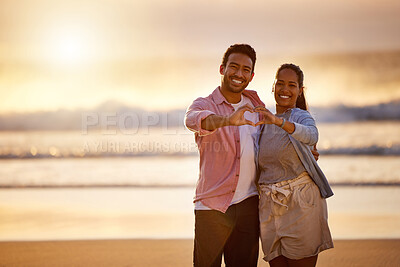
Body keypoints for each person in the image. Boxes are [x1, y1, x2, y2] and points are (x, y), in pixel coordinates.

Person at [184, 44, 264, 266]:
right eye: (234, 67)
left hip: (249, 204)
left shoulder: (257, 106)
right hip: (212, 208)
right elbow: (194, 120)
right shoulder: (204, 104)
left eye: (245, 70)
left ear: (252, 75)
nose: (239, 74)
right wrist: (228, 120)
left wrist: (303, 151)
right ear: (222, 68)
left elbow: (267, 148)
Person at [255, 63, 334, 267]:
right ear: (273, 86)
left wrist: (279, 122)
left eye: (291, 85)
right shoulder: (263, 123)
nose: (285, 90)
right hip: (269, 206)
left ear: (300, 90)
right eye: (280, 83)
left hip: (299, 203)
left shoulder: (300, 116)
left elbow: (311, 135)